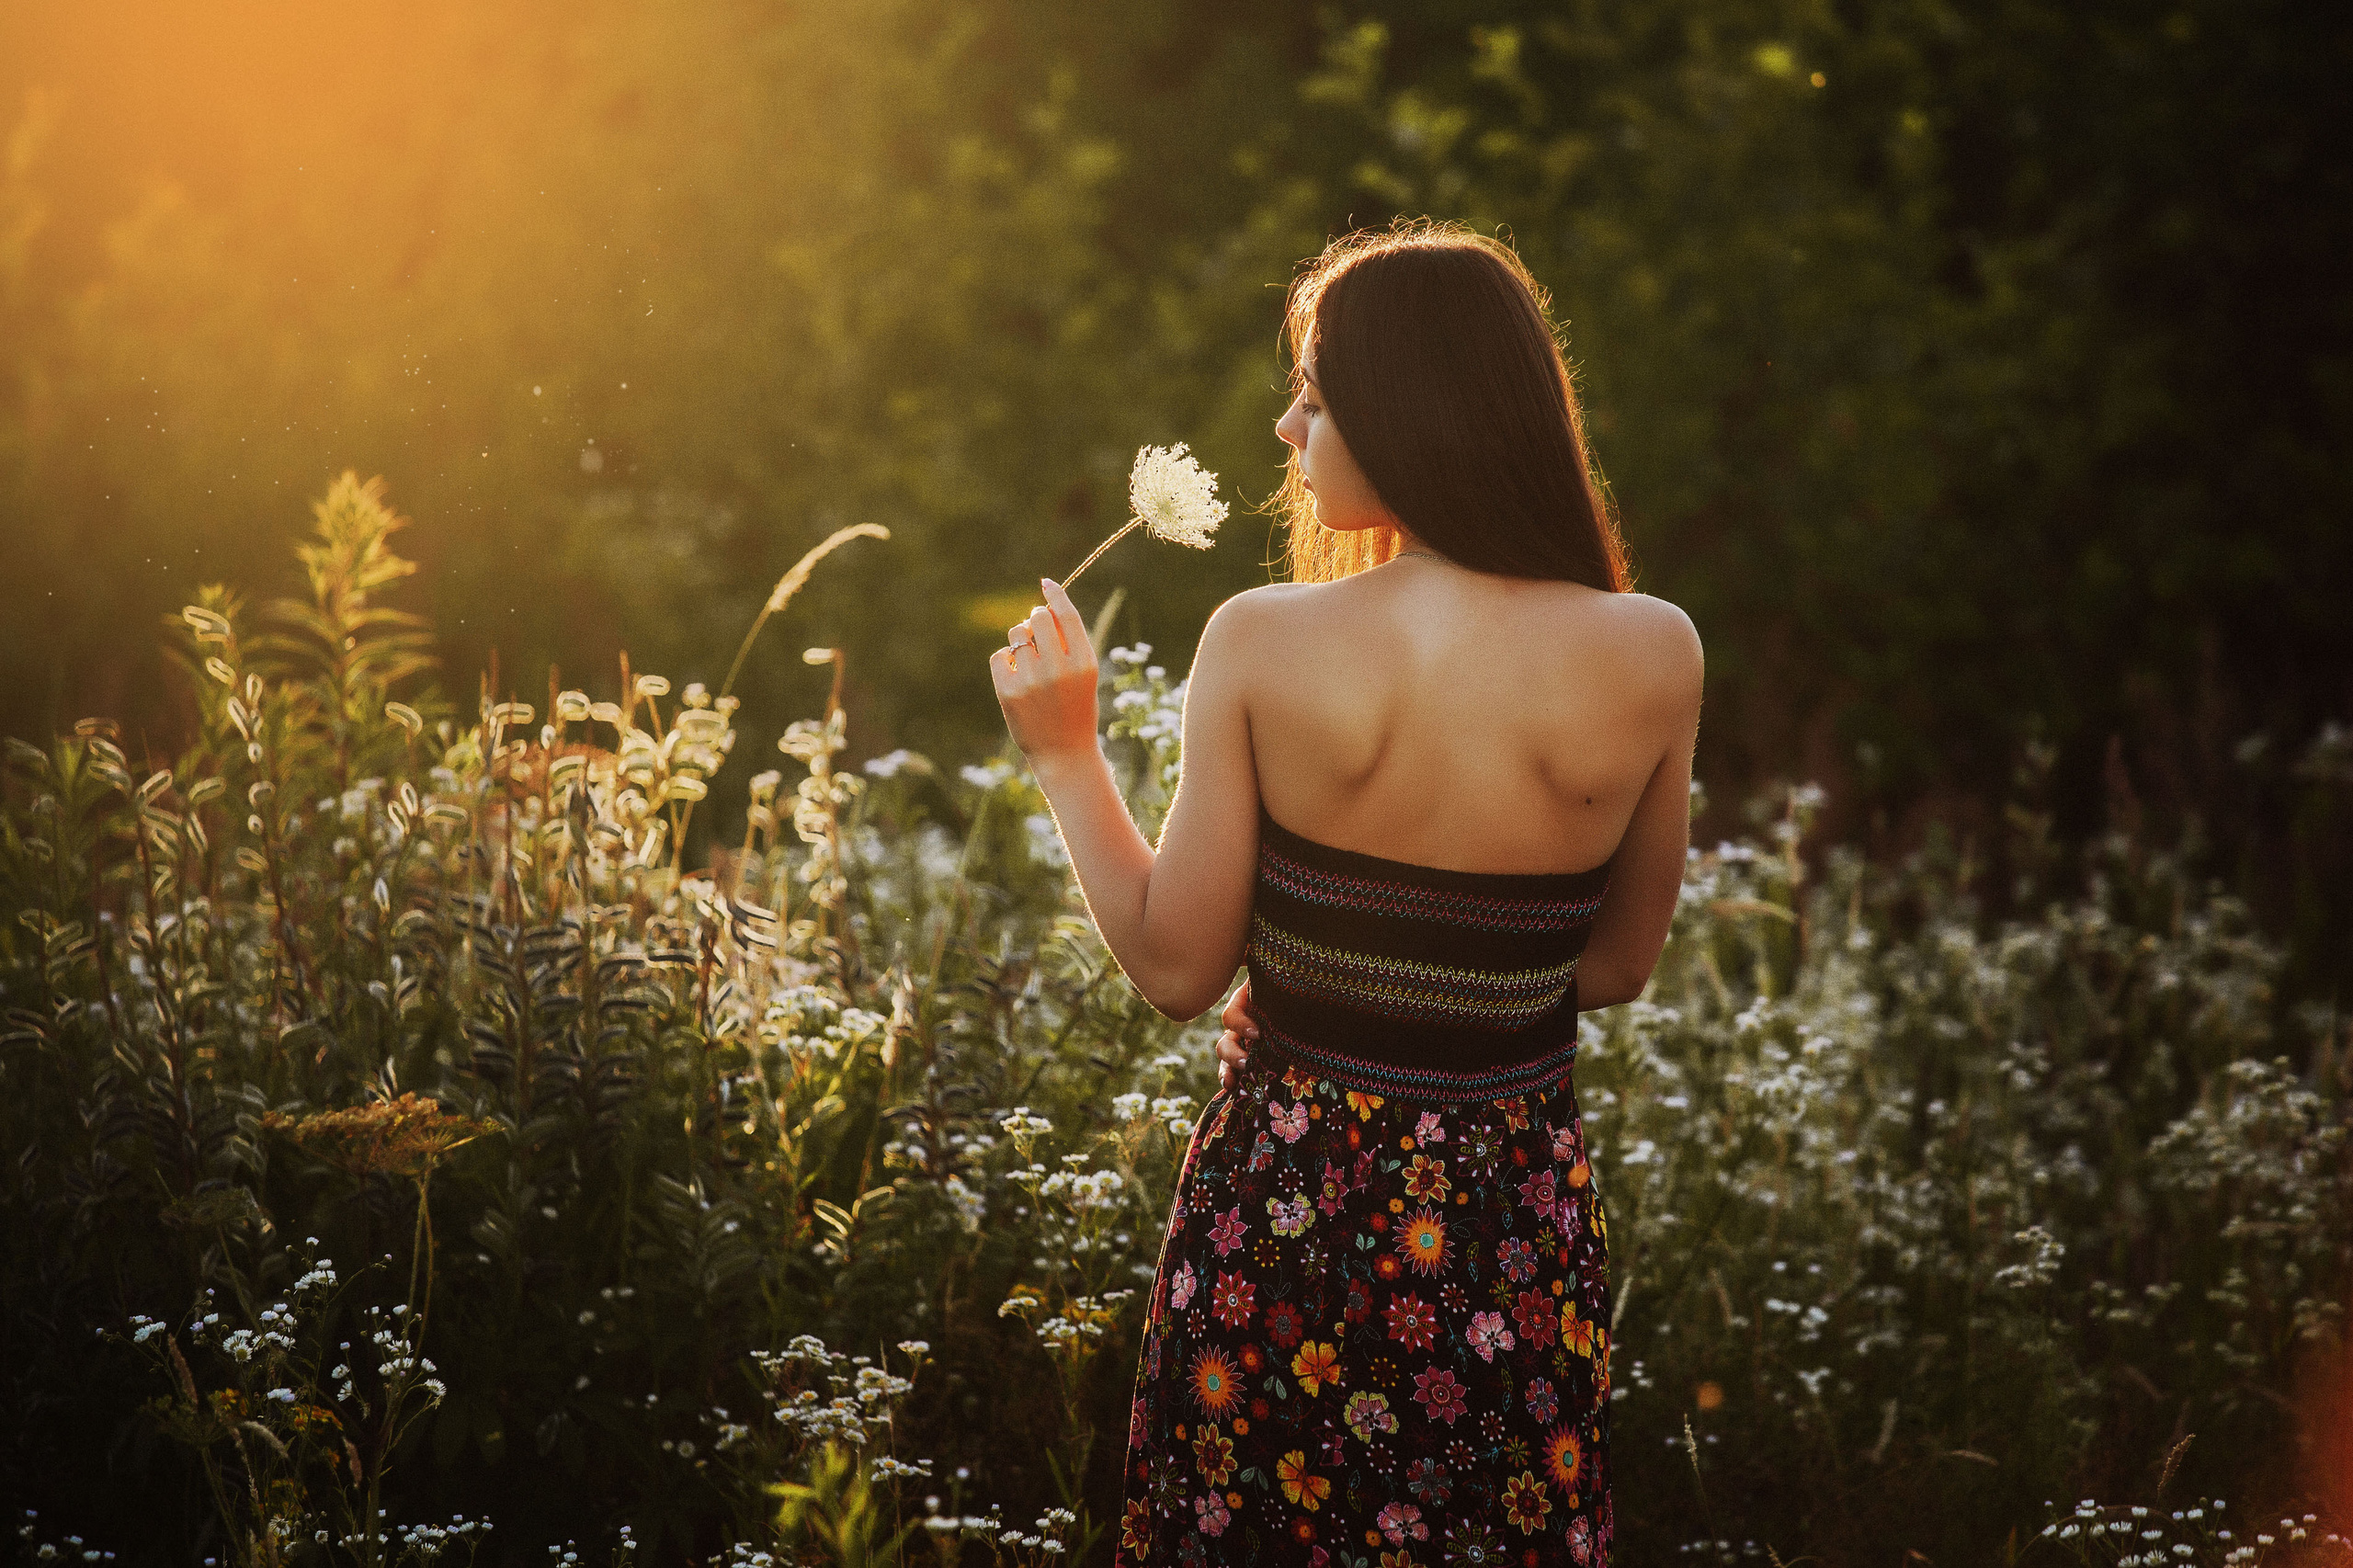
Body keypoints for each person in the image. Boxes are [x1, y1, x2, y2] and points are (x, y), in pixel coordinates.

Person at [989, 219, 1701, 1567]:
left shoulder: (1261, 640)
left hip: (1282, 1220)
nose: (1285, 425)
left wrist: (1068, 754)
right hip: (1508, 1233)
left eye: (1314, 393)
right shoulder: (1654, 651)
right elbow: (1610, 969)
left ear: (1407, 408)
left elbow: (1176, 969)